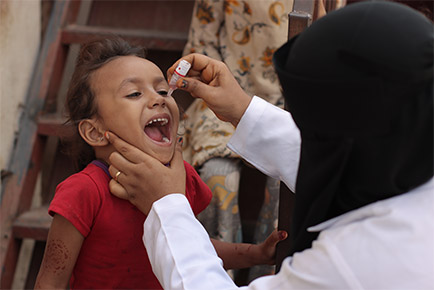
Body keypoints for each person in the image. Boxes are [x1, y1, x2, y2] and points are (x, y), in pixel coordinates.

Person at [107, 1, 433, 289]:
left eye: (309, 124)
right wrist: (242, 109)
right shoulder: (409, 146)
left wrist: (167, 206)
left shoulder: (354, 262)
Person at [34, 37, 287, 289]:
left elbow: (190, 242)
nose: (159, 99)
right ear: (95, 132)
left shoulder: (181, 177)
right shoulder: (83, 192)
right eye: (134, 93)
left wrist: (255, 254)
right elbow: (50, 282)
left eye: (163, 91)